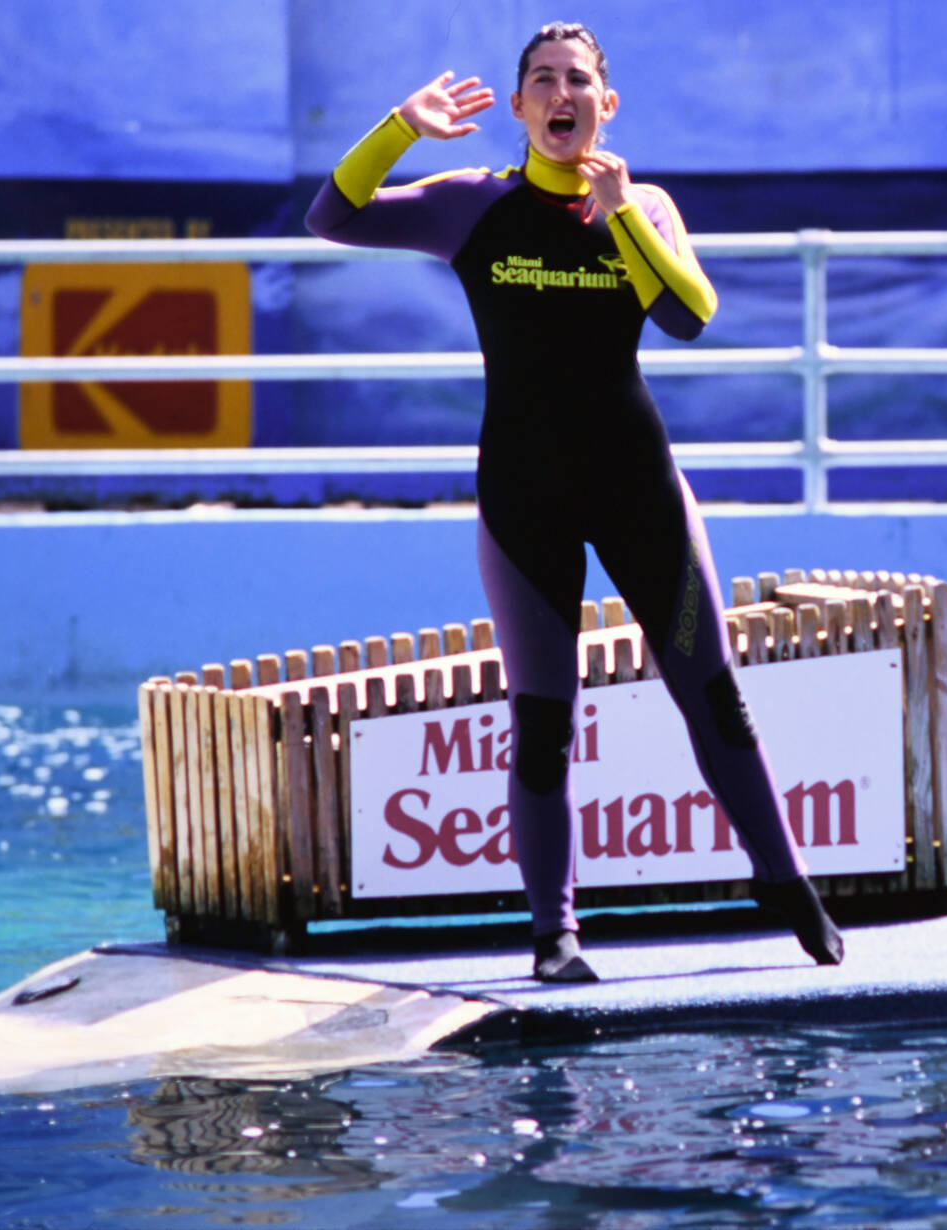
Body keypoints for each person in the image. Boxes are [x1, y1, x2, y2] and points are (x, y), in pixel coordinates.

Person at [306, 21, 843, 982]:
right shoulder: (474, 207)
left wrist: (623, 212)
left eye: (580, 81)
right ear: (518, 110)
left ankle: (790, 887)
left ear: (607, 103)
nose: (563, 95)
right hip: (526, 497)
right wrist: (399, 128)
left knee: (714, 693)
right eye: (543, 82)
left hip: (640, 488)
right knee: (544, 721)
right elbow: (331, 218)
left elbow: (688, 318)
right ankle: (555, 936)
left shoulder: (647, 207)